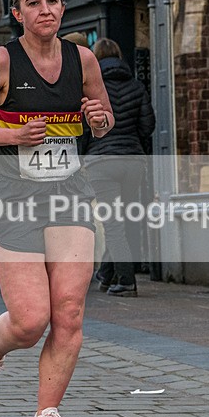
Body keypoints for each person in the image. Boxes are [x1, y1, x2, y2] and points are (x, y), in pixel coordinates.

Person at [0, 0, 113, 417]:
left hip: (70, 195)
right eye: (34, 3)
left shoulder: (83, 59)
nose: (45, 10)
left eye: (53, 1)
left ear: (62, 6)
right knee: (29, 321)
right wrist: (12, 136)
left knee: (68, 311)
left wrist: (99, 118)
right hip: (15, 199)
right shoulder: (1, 61)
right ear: (17, 12)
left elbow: (104, 121)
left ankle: (46, 415)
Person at [82, 38, 156, 297]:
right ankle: (105, 273)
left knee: (112, 224)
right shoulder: (136, 86)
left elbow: (82, 130)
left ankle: (126, 280)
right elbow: (148, 126)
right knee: (124, 218)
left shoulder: (91, 90)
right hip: (132, 161)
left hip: (102, 163)